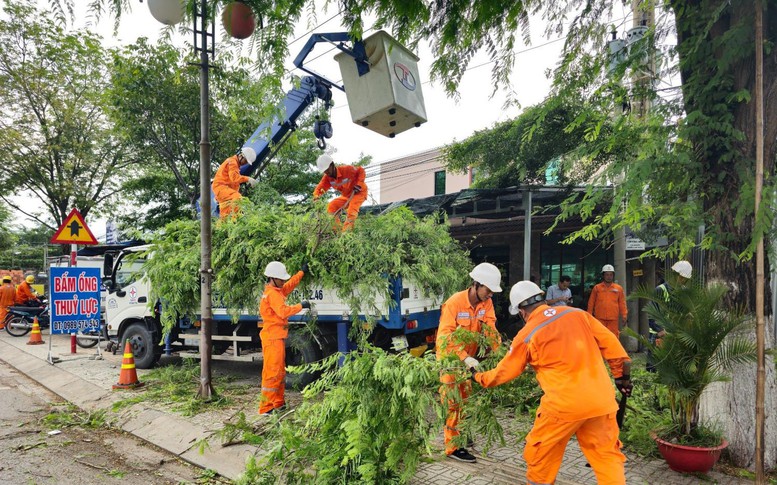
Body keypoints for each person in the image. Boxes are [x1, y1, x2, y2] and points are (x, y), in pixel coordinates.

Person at [474, 281, 632, 485]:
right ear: (542, 299)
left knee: (541, 456)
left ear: (522, 312)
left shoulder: (527, 333)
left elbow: (504, 372)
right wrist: (621, 378)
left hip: (562, 407)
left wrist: (478, 377)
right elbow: (612, 345)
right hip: (601, 401)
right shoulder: (578, 314)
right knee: (607, 457)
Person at [435, 262, 503, 463]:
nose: (490, 295)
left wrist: (501, 353)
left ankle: (461, 433)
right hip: (451, 360)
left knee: (466, 400)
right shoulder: (454, 303)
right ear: (476, 284)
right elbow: (444, 337)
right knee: (453, 402)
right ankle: (453, 447)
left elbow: (490, 328)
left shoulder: (486, 303)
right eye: (488, 290)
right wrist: (464, 357)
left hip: (469, 361)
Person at [258, 260, 310, 415]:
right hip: (272, 339)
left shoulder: (276, 290)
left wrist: (301, 273)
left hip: (276, 338)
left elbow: (288, 287)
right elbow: (283, 312)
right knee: (272, 373)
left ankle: (278, 403)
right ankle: (266, 408)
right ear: (272, 278)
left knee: (279, 372)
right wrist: (301, 306)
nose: (283, 282)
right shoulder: (272, 294)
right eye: (281, 279)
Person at [646, 260, 692, 372]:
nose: (682, 280)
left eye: (684, 278)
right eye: (680, 277)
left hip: (676, 334)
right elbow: (652, 312)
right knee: (655, 366)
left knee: (674, 369)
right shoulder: (661, 290)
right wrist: (660, 330)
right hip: (659, 334)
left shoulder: (684, 292)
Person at [313, 154, 367, 231]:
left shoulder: (346, 169)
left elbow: (361, 170)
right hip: (347, 196)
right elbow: (319, 188)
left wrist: (359, 185)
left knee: (351, 210)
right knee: (332, 206)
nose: (327, 172)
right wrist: (316, 197)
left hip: (359, 193)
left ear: (332, 165)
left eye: (327, 169)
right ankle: (336, 231)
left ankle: (346, 233)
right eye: (325, 171)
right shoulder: (327, 178)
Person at [212, 147, 258, 219]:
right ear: (241, 156)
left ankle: (220, 229)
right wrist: (248, 179)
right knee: (237, 198)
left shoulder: (235, 165)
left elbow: (233, 184)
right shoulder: (232, 162)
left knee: (225, 216)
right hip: (220, 187)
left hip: (222, 189)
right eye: (245, 161)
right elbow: (234, 178)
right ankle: (236, 221)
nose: (245, 163)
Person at [587, 264, 627, 338]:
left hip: (613, 319)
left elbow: (622, 303)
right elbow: (591, 302)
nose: (609, 277)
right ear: (603, 275)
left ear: (613, 275)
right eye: (607, 275)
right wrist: (589, 315)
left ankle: (612, 350)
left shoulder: (618, 288)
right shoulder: (597, 288)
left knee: (613, 337)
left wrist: (624, 315)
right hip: (599, 318)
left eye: (611, 275)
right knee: (599, 336)